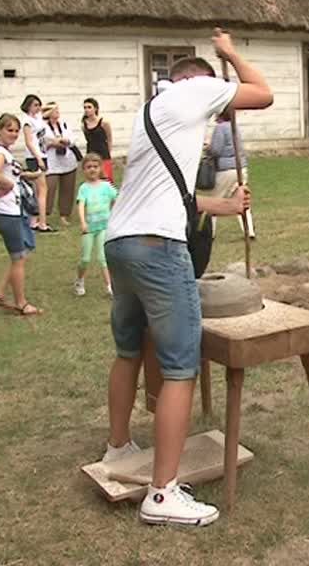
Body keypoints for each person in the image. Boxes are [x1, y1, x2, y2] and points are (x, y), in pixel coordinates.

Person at [102, 28, 272, 527]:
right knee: (180, 367)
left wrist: (225, 206)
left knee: (128, 349)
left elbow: (174, 196)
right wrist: (232, 54)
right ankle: (162, 493)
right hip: (158, 249)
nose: (216, 117)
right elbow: (262, 93)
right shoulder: (195, 89)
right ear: (194, 81)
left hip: (122, 242)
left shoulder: (149, 113)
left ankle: (118, 448)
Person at [0, 113, 43, 316]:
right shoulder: (0, 152)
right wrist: (7, 184)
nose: (14, 134)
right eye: (9, 130)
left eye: (16, 130)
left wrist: (28, 175)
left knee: (24, 251)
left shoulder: (4, 152)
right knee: (19, 258)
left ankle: (0, 293)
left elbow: (11, 173)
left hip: (13, 211)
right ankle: (21, 303)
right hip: (6, 213)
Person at [203, 114, 256, 239]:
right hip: (240, 167)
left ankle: (211, 233)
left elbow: (216, 150)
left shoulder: (220, 128)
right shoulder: (235, 127)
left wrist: (207, 148)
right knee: (242, 199)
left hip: (226, 170)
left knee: (215, 200)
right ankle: (249, 230)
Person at [73, 153, 118, 297]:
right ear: (84, 170)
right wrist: (83, 223)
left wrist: (116, 216)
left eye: (95, 166)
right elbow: (81, 205)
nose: (92, 170)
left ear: (100, 168)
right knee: (85, 258)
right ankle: (79, 280)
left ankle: (110, 286)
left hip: (104, 226)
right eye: (88, 167)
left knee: (103, 257)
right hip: (89, 228)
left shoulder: (106, 186)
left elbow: (117, 199)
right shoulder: (84, 188)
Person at [20, 94, 54, 232]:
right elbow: (28, 142)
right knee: (42, 189)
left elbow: (52, 108)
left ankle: (35, 221)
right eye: (35, 105)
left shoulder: (38, 118)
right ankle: (42, 223)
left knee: (38, 190)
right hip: (34, 156)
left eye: (39, 105)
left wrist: (41, 107)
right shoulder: (27, 121)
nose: (38, 108)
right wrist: (38, 158)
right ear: (28, 106)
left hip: (42, 154)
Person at [42, 102, 79, 227]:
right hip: (52, 162)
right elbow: (41, 141)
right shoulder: (42, 126)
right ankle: (44, 214)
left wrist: (65, 141)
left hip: (67, 160)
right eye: (55, 111)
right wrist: (53, 142)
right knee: (49, 188)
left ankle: (64, 215)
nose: (57, 113)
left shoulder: (64, 124)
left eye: (58, 110)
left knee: (67, 189)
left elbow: (72, 138)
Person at [82, 98, 114, 181]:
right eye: (85, 107)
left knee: (106, 179)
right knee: (93, 179)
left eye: (89, 107)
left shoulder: (104, 122)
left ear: (95, 108)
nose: (87, 110)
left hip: (103, 154)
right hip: (91, 154)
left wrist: (109, 152)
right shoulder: (84, 124)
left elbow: (109, 139)